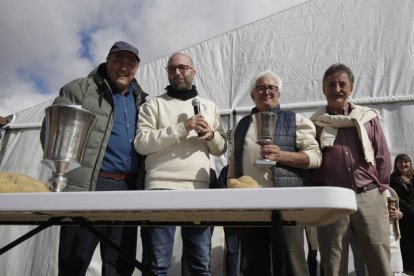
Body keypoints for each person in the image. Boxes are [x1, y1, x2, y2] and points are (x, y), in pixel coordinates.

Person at [40, 41, 148, 276]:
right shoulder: (81, 89)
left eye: (130, 63)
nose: (123, 67)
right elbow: (51, 130)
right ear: (107, 61)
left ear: (136, 69)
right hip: (89, 185)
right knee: (74, 260)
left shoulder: (142, 99)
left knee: (120, 263)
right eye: (118, 60)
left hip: (129, 188)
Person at [134, 52, 227, 275]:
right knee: (157, 265)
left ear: (193, 72)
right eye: (172, 69)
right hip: (160, 187)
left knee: (200, 265)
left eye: (183, 67)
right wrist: (182, 128)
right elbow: (141, 144)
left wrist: (211, 136)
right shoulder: (153, 105)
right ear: (167, 74)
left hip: (199, 189)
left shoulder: (210, 107)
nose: (178, 72)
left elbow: (221, 148)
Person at [227, 69, 322, 275]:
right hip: (250, 207)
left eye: (271, 88)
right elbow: (233, 165)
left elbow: (315, 158)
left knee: (292, 265)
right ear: (252, 95)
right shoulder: (241, 126)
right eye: (260, 88)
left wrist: (282, 156)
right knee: (252, 267)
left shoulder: (296, 121)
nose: (266, 92)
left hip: (286, 206)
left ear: (279, 94)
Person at [305, 63, 392, 276]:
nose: (337, 89)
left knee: (379, 257)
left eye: (342, 84)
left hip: (369, 195)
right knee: (333, 262)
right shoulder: (314, 124)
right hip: (332, 200)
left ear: (351, 88)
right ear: (323, 89)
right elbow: (309, 163)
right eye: (331, 85)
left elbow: (382, 156)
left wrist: (380, 188)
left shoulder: (368, 118)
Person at [390, 153, 414, 275]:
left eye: (406, 161)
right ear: (396, 164)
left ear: (410, 163)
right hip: (405, 220)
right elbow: (398, 198)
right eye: (400, 162)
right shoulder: (393, 179)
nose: (403, 164)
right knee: (409, 252)